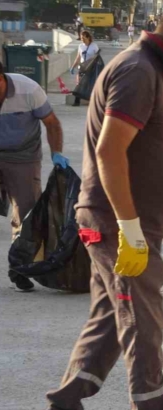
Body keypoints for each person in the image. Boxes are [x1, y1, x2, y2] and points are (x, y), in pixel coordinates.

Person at [30, 2, 163, 410]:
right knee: (143, 325)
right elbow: (109, 151)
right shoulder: (138, 70)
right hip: (119, 227)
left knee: (109, 322)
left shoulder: (147, 70)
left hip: (121, 224)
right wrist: (131, 229)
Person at [0, 61, 67, 292]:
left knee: (27, 215)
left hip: (23, 157)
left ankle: (19, 268)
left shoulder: (28, 89)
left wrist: (57, 153)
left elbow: (52, 123)